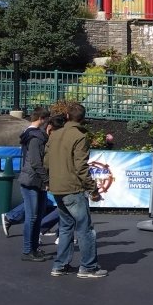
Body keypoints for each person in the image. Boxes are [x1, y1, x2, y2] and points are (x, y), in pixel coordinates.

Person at [45, 103, 106, 278]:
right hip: (73, 188)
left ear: (66, 116)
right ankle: (88, 267)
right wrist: (93, 189)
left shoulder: (54, 136)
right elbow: (81, 167)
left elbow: (46, 162)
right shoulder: (79, 136)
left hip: (57, 187)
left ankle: (60, 265)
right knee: (85, 228)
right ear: (83, 118)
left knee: (65, 227)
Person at [15, 107, 51, 262]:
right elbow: (36, 162)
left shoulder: (31, 135)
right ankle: (28, 250)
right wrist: (46, 178)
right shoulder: (35, 138)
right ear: (42, 119)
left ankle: (34, 248)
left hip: (35, 179)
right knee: (32, 216)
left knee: (36, 216)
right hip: (32, 179)